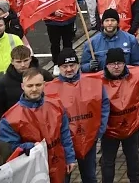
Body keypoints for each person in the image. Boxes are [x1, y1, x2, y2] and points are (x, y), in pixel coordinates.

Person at [0, 67, 75, 183]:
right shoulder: (10, 119)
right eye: (30, 86)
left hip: (58, 164)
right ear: (22, 86)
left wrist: (69, 158)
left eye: (38, 85)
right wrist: (27, 147)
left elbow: (65, 135)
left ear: (44, 84)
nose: (34, 89)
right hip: (33, 173)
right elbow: (9, 149)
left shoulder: (56, 105)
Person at [44, 49, 106, 183]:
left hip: (88, 139)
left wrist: (99, 130)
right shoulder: (49, 89)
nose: (69, 69)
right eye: (64, 66)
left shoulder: (93, 82)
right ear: (58, 68)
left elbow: (104, 105)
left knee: (89, 177)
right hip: (64, 144)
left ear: (78, 65)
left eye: (72, 65)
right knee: (63, 177)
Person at [91, 48, 139, 183]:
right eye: (113, 64)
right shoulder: (97, 80)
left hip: (132, 126)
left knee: (133, 159)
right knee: (107, 162)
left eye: (119, 63)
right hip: (109, 130)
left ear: (125, 63)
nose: (116, 67)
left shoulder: (138, 74)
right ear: (106, 65)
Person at [0, 46, 50, 123]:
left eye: (26, 60)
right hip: (15, 126)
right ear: (12, 61)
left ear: (30, 59)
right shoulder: (2, 84)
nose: (23, 65)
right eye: (18, 62)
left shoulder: (45, 76)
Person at [79, 9, 139, 74]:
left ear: (117, 22)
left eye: (113, 20)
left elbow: (138, 64)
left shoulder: (131, 39)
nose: (110, 23)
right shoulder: (91, 43)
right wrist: (89, 66)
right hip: (101, 82)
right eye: (107, 20)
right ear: (102, 23)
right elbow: (82, 67)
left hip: (125, 81)